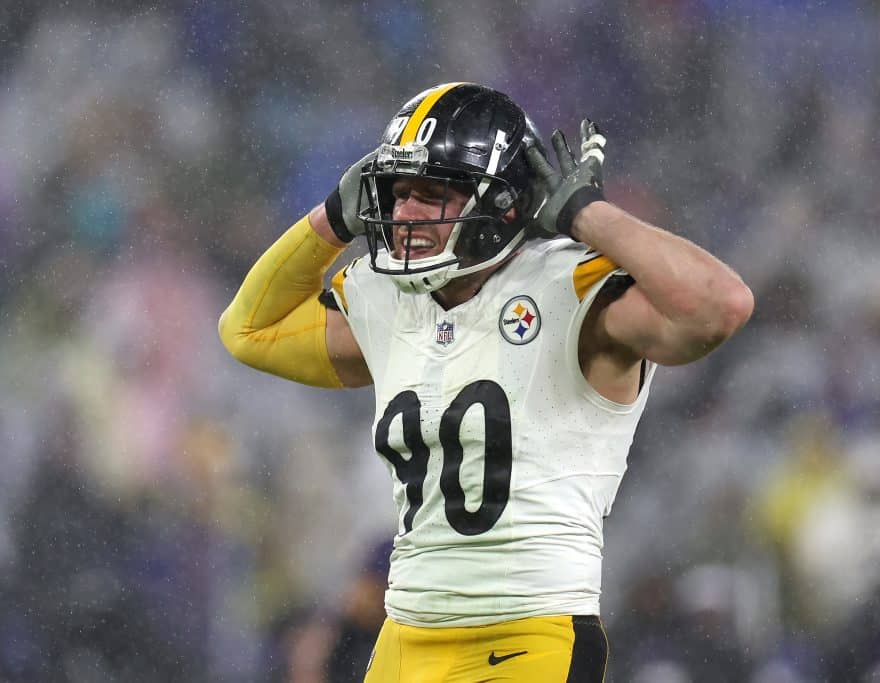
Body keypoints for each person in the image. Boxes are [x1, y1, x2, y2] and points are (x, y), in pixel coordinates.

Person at [219, 82, 753, 682]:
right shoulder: (387, 296)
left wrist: (586, 214)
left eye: (432, 193)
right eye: (397, 193)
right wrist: (331, 221)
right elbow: (247, 330)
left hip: (530, 633)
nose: (405, 214)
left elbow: (720, 307)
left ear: (502, 204)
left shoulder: (570, 288)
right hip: (406, 636)